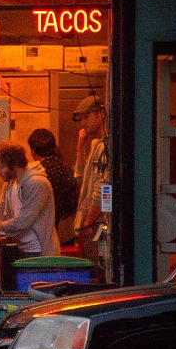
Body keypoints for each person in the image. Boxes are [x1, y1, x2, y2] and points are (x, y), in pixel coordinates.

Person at [0, 141, 60, 288]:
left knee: (37, 292)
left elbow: (24, 220)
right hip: (22, 248)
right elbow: (1, 209)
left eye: (0, 167)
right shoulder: (10, 183)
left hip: (39, 252)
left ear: (13, 164)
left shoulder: (36, 183)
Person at [72, 95, 110, 262]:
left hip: (97, 222)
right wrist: (80, 149)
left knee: (98, 266)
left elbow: (103, 188)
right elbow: (79, 178)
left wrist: (88, 221)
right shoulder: (96, 145)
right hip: (93, 221)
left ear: (100, 114)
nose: (82, 123)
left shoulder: (105, 147)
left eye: (86, 117)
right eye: (81, 119)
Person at [27, 128, 78, 245]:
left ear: (33, 151)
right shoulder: (66, 168)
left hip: (48, 233)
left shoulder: (39, 173)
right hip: (68, 232)